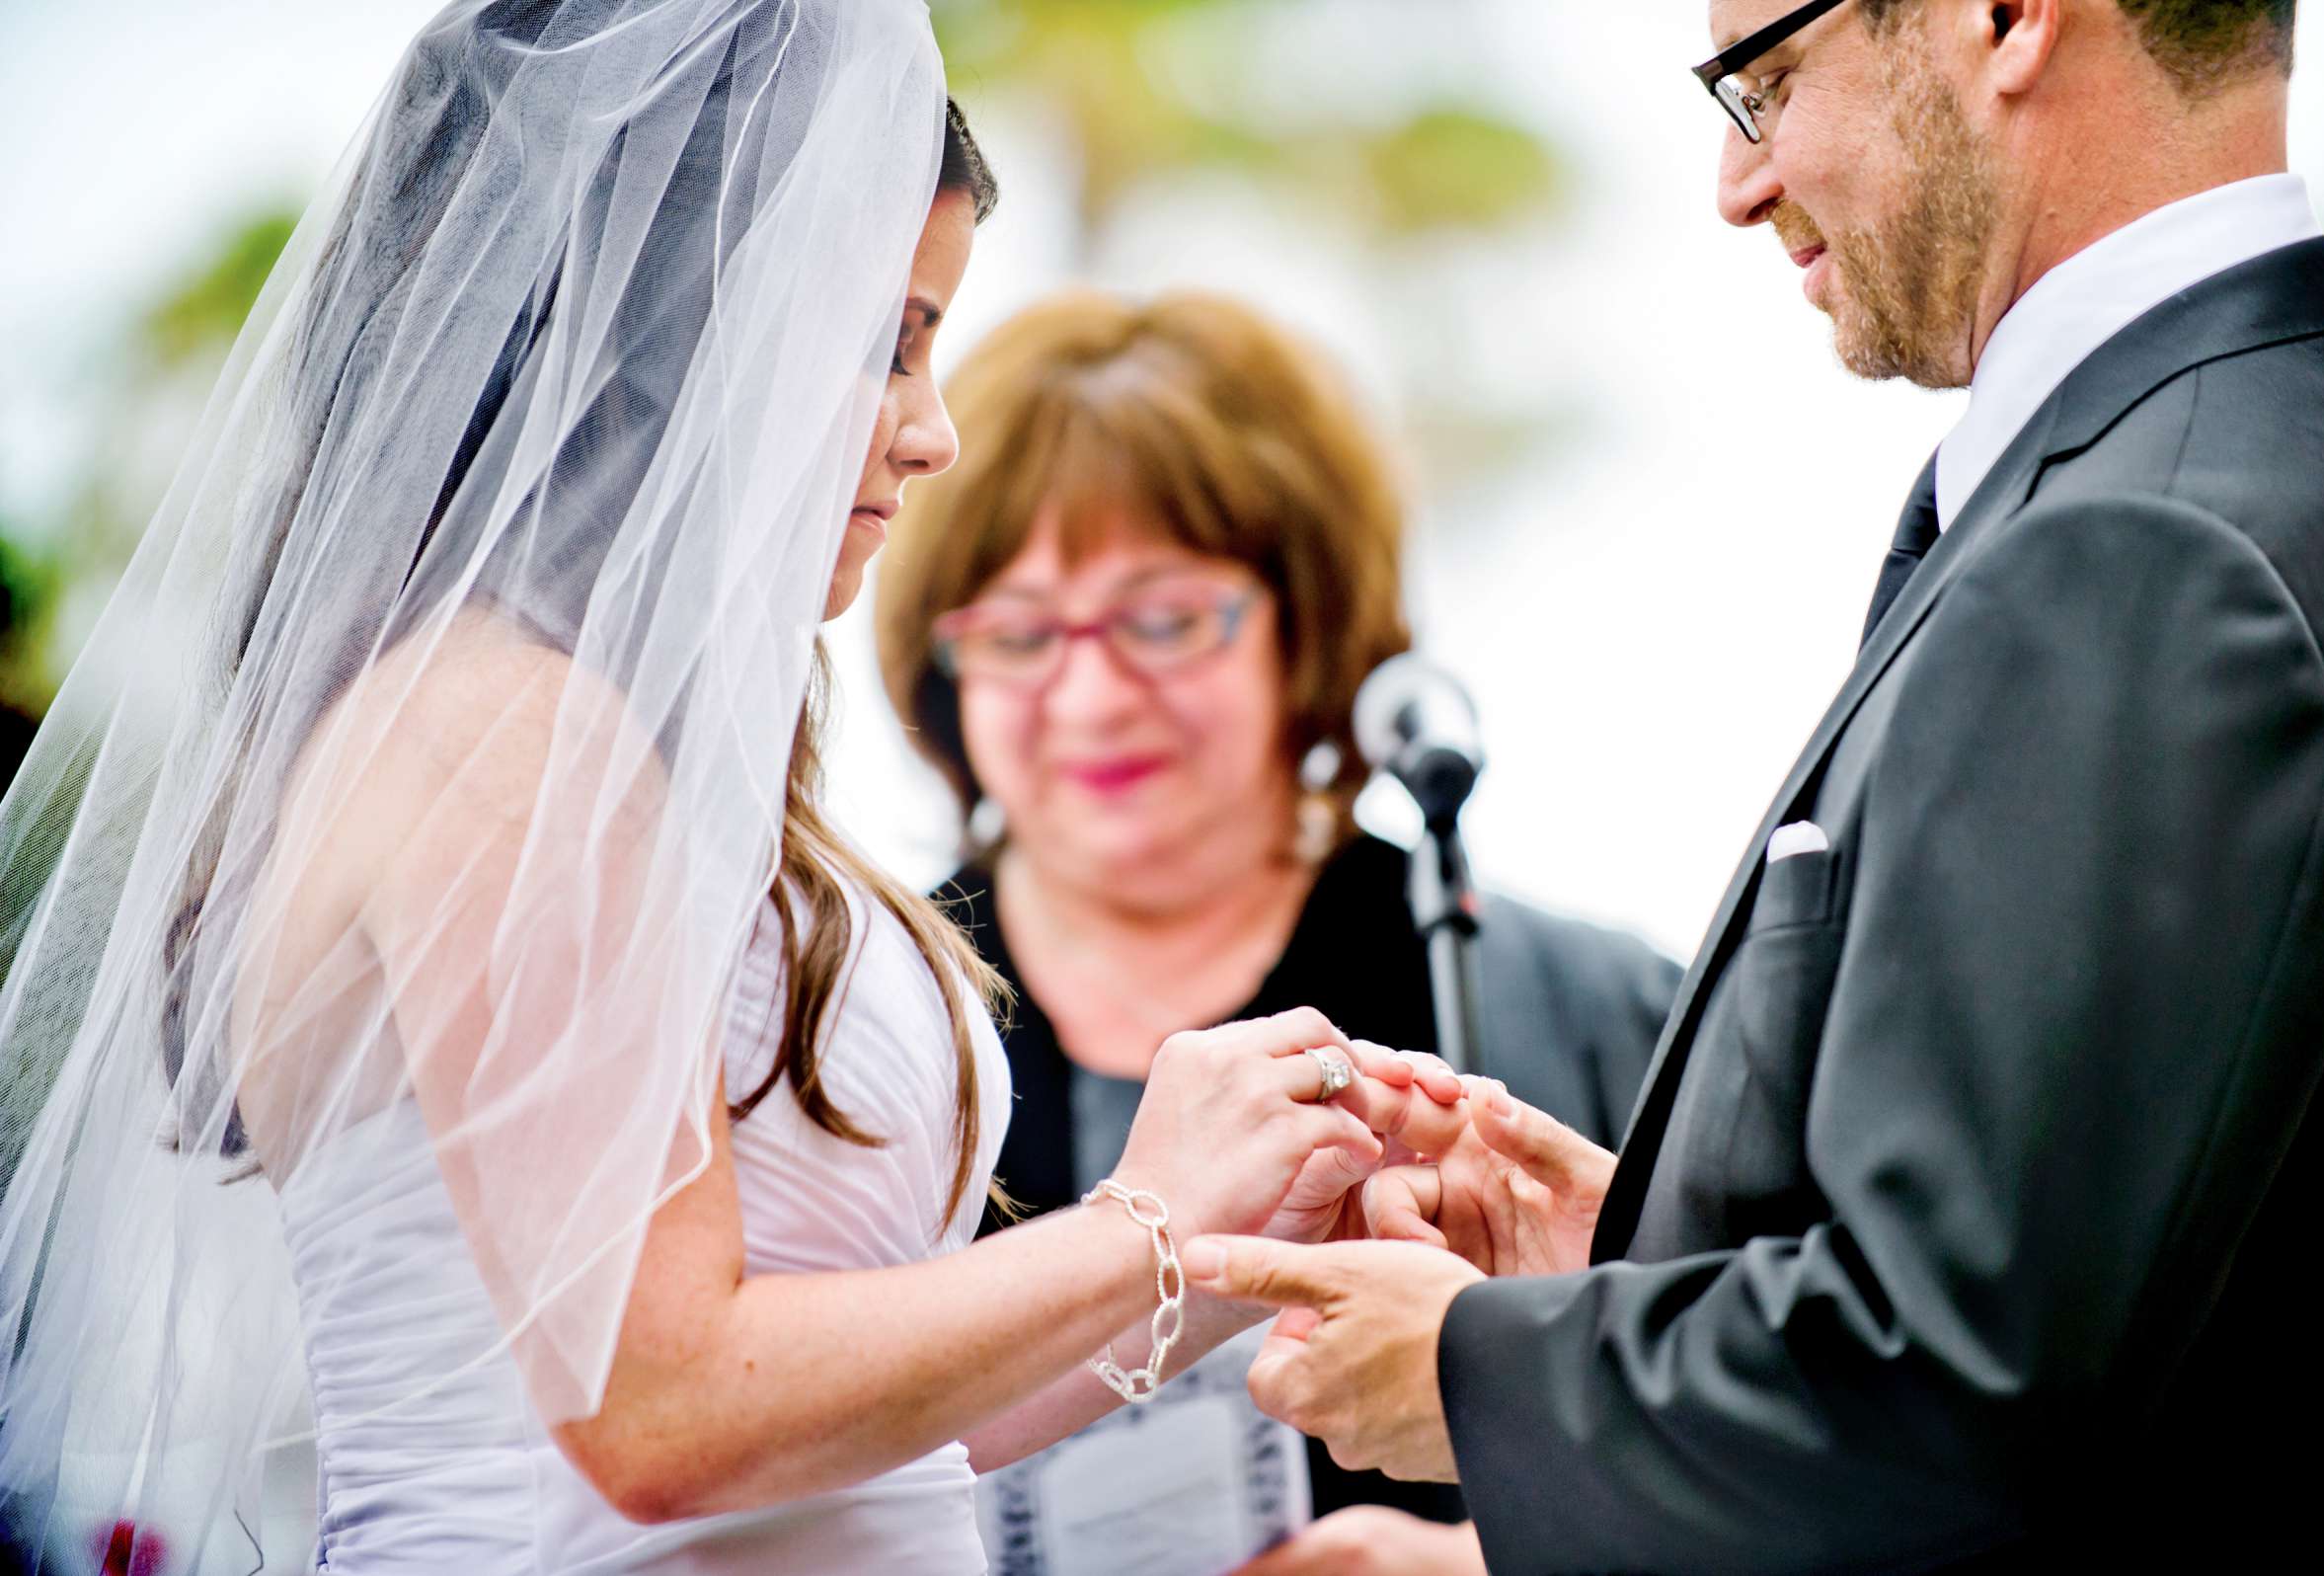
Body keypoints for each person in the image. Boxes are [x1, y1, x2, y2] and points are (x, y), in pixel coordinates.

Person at [0, 6, 1475, 1573]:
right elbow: (661, 1418)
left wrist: (1247, 1242)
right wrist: (1148, 1219)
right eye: (883, 343)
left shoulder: (626, 744)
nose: (934, 431)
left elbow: (875, 1441)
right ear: (670, 328)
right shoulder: (483, 731)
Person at [1181, 1, 2324, 1569]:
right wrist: (1648, 1252)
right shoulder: (2279, 452)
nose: (1737, 185)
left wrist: (1468, 1376)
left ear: (2006, 19)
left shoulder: (2138, 549)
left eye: (1769, 80)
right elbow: (2148, 1256)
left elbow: (1956, 1403)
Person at [870, 289, 1679, 1574]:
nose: (1088, 695)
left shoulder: (1574, 1003)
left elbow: (1808, 1452)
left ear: (1305, 630)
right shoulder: (856, 1007)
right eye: (1018, 635)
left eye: (1161, 619)